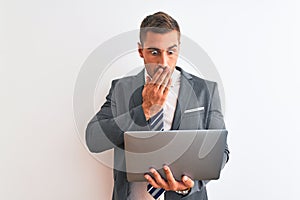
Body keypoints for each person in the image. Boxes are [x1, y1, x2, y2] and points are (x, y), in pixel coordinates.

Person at [86, 11, 229, 200]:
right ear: (140, 51)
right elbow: (94, 139)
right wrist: (145, 110)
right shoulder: (121, 89)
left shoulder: (205, 90)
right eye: (154, 52)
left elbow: (221, 153)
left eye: (171, 52)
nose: (163, 62)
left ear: (178, 49)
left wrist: (186, 186)